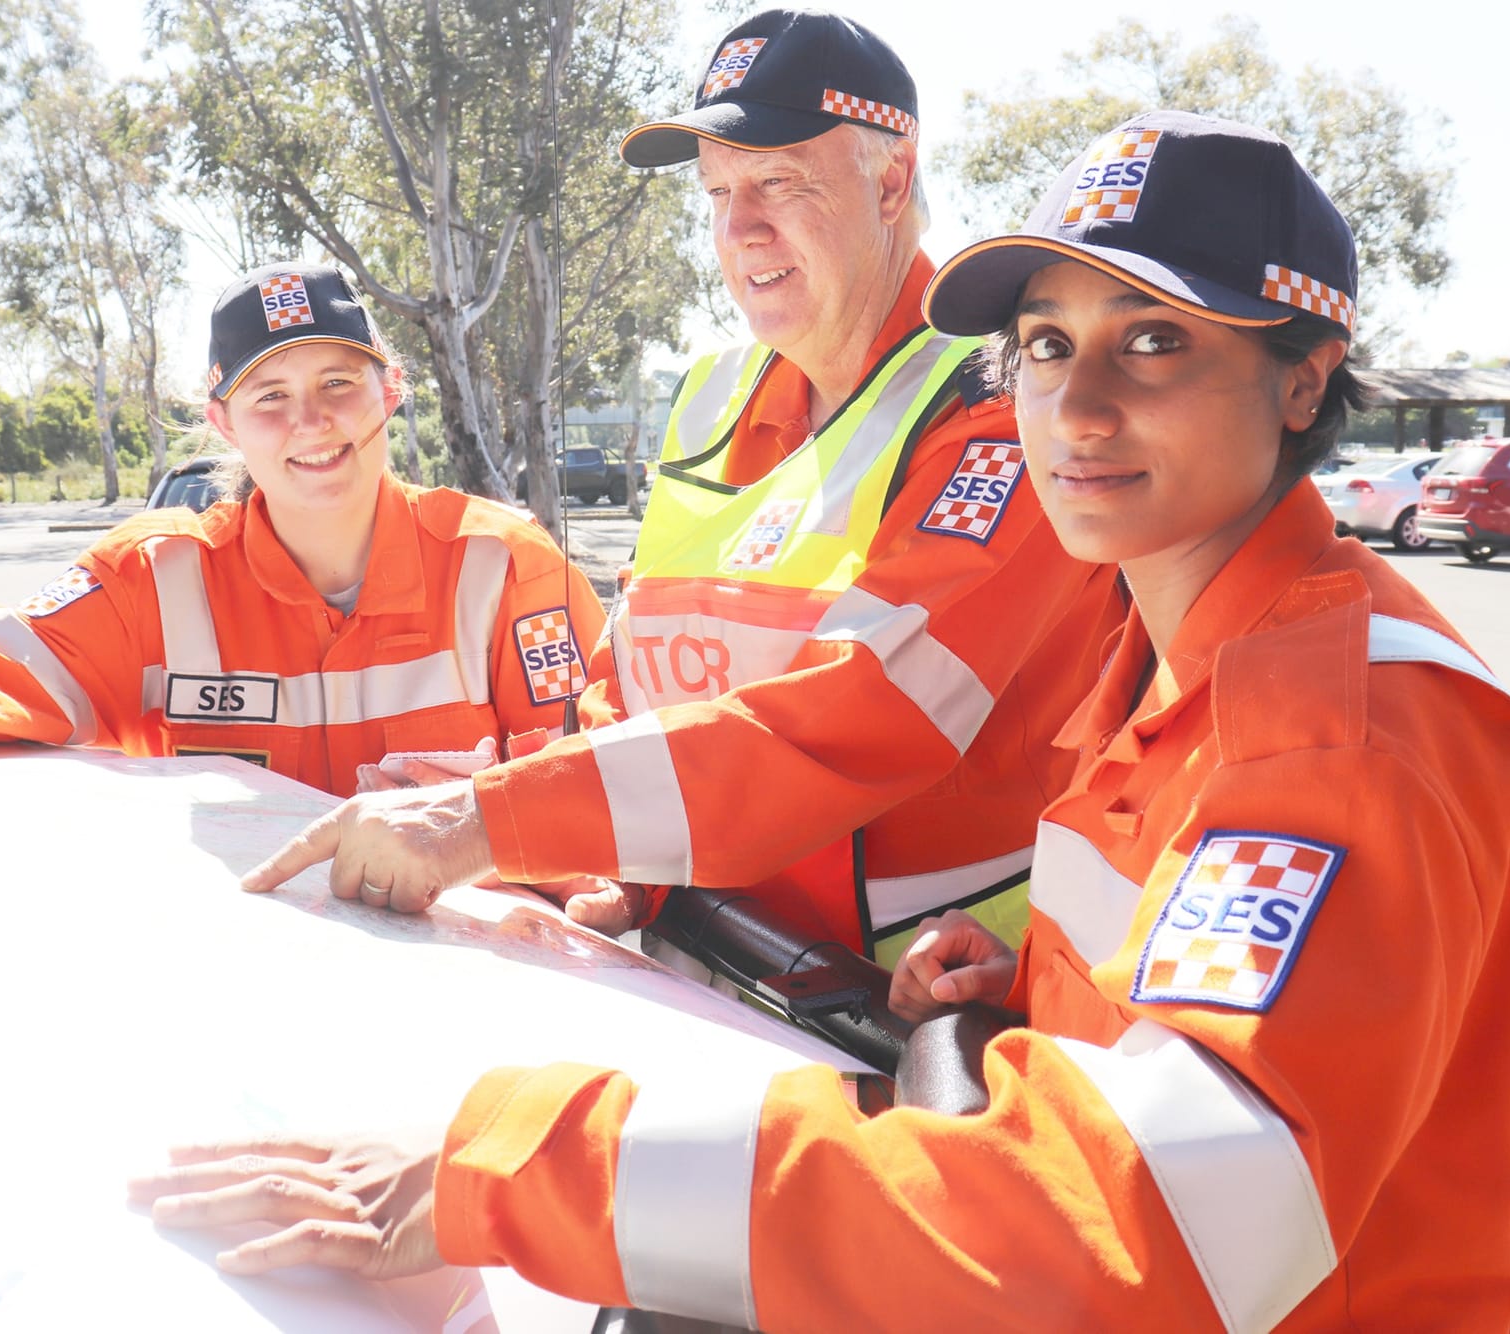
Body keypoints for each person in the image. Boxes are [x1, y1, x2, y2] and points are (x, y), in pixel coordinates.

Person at [132, 113, 1510, 1329]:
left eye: (1159, 342)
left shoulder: (1336, 725)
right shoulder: (1163, 635)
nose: (1076, 404)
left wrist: (503, 1171)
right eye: (1048, 344)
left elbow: (1153, 1226)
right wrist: (1035, 976)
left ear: (1304, 380)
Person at [238, 8, 1122, 965]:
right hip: (711, 974)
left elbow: (853, 722)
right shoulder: (709, 398)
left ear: (892, 180)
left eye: (778, 182)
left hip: (936, 1016)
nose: (739, 229)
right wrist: (554, 821)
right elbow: (632, 679)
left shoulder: (1003, 399)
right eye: (717, 193)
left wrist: (492, 818)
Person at [0, 263, 603, 800]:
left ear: (391, 393)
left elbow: (598, 780)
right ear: (223, 423)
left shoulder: (507, 566)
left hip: (475, 989)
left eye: (339, 384)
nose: (313, 423)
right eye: (271, 399)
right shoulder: (157, 577)